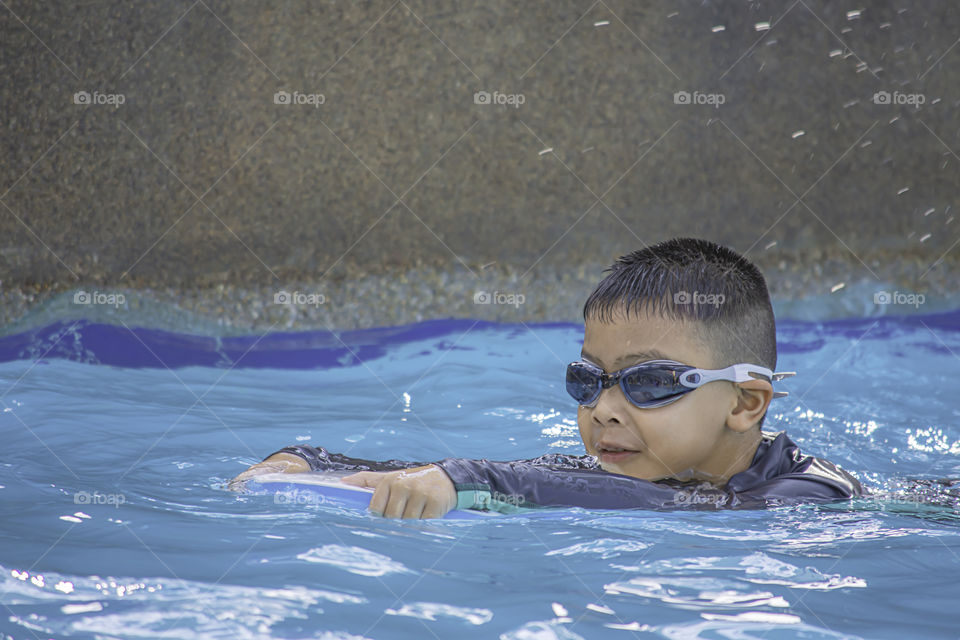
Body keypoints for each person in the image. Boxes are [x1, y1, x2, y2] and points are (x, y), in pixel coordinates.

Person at [229, 238, 864, 518]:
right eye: (588, 381)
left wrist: (473, 482)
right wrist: (319, 463)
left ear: (747, 403)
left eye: (648, 383)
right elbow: (501, 475)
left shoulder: (811, 500)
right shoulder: (622, 471)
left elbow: (700, 510)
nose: (605, 410)